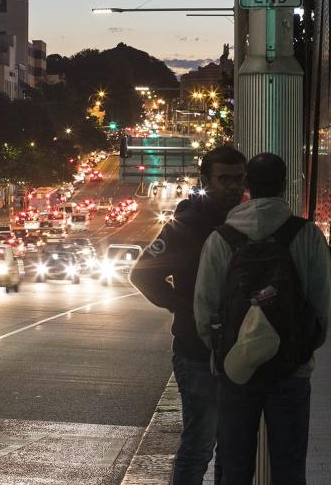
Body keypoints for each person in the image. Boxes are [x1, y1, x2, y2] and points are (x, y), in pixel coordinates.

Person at [194, 152, 331, 485]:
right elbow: (322, 302)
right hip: (291, 369)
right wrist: (303, 349)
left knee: (236, 467)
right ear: (285, 185)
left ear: (247, 186)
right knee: (289, 467)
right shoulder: (308, 235)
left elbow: (204, 307)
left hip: (236, 370)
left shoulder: (221, 238)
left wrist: (224, 352)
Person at [129, 145, 247, 485]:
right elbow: (142, 274)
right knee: (199, 445)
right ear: (206, 180)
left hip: (240, 349)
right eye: (224, 179)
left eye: (239, 179)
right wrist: (185, 307)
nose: (233, 186)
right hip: (197, 351)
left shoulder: (246, 219)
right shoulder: (188, 222)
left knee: (232, 446)